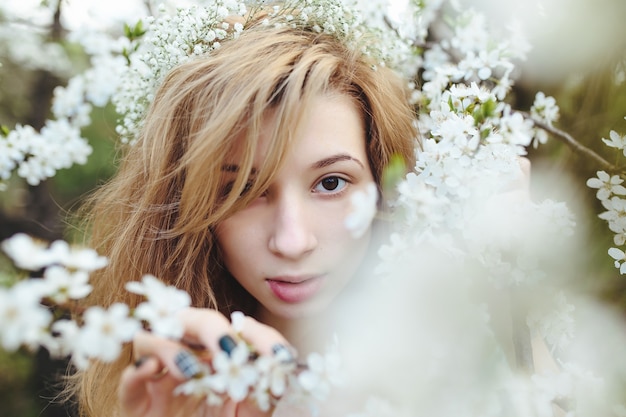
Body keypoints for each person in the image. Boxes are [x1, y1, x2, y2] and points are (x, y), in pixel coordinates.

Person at [67, 7, 418, 417]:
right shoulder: (175, 388)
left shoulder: (476, 360)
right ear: (183, 204)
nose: (292, 241)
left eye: (331, 183)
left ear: (385, 184)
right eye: (240, 190)